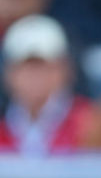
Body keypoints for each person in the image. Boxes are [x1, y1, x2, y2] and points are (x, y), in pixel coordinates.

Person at [0, 15, 93, 156]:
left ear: (64, 70)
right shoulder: (4, 127)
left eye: (44, 67)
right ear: (9, 74)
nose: (35, 77)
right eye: (26, 67)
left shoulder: (90, 122)